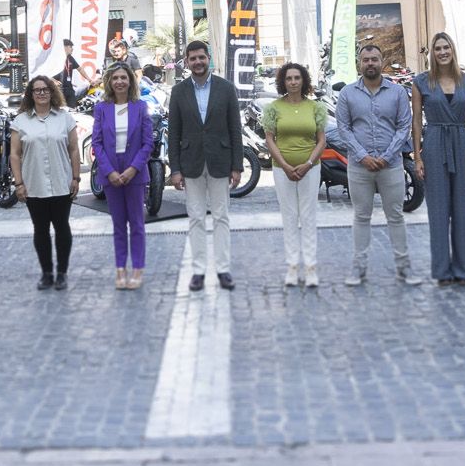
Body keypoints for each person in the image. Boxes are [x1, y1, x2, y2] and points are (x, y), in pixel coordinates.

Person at [331, 44, 422, 287]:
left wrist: (386, 155)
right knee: (361, 217)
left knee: (396, 216)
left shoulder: (397, 93)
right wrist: (363, 155)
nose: (370, 63)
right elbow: (344, 129)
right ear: (359, 64)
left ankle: (404, 268)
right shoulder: (348, 94)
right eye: (365, 60)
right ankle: (358, 269)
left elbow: (404, 126)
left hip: (391, 165)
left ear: (382, 61)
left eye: (374, 59)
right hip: (359, 167)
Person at [166, 40, 243, 292]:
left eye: (201, 57)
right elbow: (174, 132)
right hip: (191, 163)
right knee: (196, 218)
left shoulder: (226, 88)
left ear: (209, 58)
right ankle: (198, 270)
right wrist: (175, 169)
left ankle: (223, 269)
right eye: (193, 59)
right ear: (186, 62)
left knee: (221, 217)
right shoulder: (178, 92)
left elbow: (235, 129)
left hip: (221, 161)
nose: (197, 62)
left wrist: (237, 166)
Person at [411, 32, 465, 286]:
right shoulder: (421, 82)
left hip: (461, 143)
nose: (442, 52)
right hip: (433, 143)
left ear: (453, 50)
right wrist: (417, 156)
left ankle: (464, 270)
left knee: (463, 210)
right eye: (438, 48)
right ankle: (442, 271)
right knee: (438, 210)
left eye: (446, 47)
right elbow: (417, 120)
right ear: (432, 53)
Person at [12, 74, 81, 290]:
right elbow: (14, 154)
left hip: (62, 182)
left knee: (62, 228)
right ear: (30, 94)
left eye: (45, 89)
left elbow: (74, 149)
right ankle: (46, 273)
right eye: (37, 90)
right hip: (34, 185)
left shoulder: (64, 118)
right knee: (40, 229)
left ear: (52, 92)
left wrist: (76, 177)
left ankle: (61, 273)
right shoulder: (21, 121)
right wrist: (19, 183)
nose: (41, 93)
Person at [262, 61, 327, 288]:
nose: (293, 82)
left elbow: (321, 140)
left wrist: (308, 163)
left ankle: (310, 268)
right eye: (289, 78)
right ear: (283, 82)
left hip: (311, 168)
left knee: (308, 217)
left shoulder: (315, 108)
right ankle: (292, 267)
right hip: (282, 170)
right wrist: (285, 166)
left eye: (297, 78)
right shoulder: (273, 108)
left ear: (303, 81)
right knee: (289, 217)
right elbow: (270, 139)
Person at [92, 63, 153, 290]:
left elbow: (148, 143)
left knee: (137, 224)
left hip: (134, 174)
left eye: (123, 78)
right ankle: (120, 269)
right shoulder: (101, 108)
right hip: (111, 175)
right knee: (118, 225)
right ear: (110, 82)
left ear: (130, 81)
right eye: (115, 78)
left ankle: (137, 268)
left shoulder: (140, 107)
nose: (119, 81)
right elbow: (97, 143)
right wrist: (110, 172)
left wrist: (132, 169)